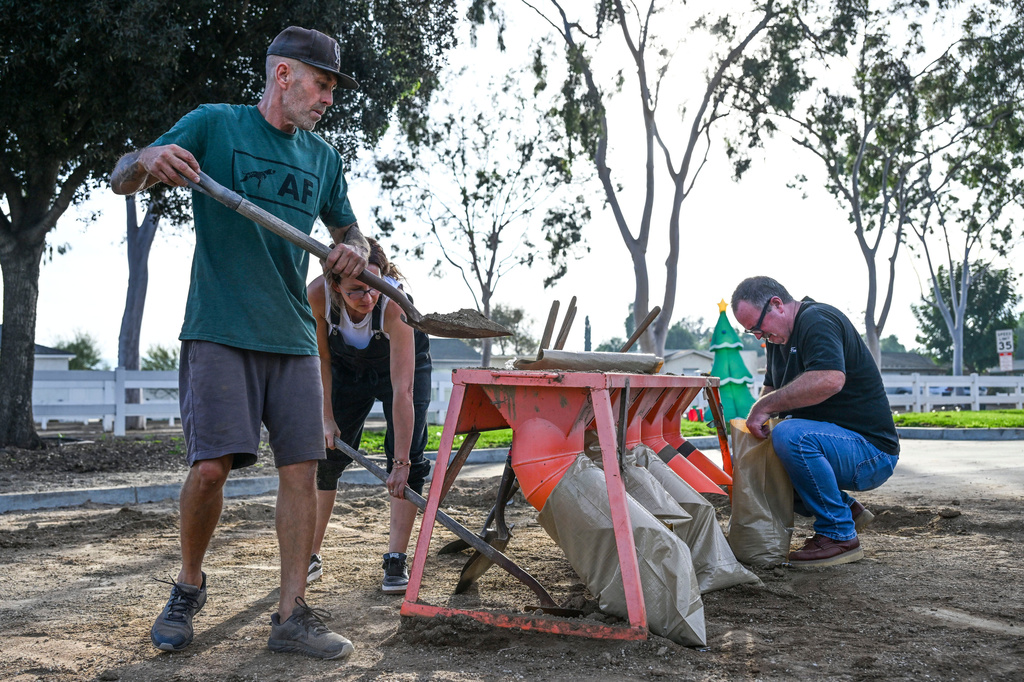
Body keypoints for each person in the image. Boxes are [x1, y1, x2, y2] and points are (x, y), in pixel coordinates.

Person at [110, 26, 369, 659]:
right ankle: (188, 585)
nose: (328, 97)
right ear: (284, 76)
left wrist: (351, 252)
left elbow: (354, 234)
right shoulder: (215, 124)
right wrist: (148, 160)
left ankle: (290, 615)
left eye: (333, 86)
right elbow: (123, 175)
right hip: (221, 328)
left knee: (302, 472)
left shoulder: (324, 159)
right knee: (209, 470)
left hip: (293, 336)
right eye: (322, 83)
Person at [730, 276, 900, 568]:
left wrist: (765, 408)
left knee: (790, 436)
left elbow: (829, 379)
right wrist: (759, 421)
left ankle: (839, 534)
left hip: (872, 452)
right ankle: (847, 510)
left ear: (777, 305)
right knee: (769, 452)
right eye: (752, 333)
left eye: (758, 328)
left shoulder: (817, 320)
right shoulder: (777, 340)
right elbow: (771, 389)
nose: (759, 337)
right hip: (838, 444)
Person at [306, 238, 432, 594]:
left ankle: (395, 559)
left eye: (374, 285)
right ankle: (310, 553)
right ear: (335, 286)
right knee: (326, 455)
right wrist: (326, 418)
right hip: (346, 367)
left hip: (404, 367)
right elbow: (323, 361)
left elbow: (403, 391)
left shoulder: (394, 307)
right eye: (356, 290)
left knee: (408, 460)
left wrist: (402, 462)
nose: (368, 297)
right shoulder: (316, 296)